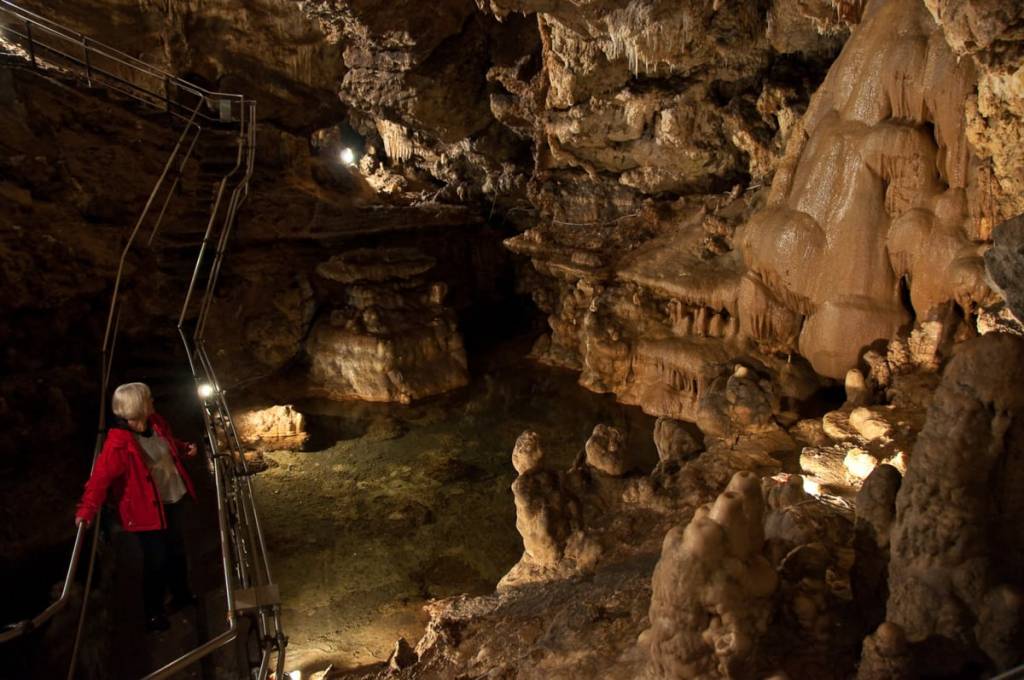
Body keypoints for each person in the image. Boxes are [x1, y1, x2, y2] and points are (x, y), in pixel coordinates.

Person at [75, 382, 199, 632]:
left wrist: (184, 448)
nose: (153, 401)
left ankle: (181, 595)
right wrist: (86, 511)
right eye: (149, 398)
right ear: (138, 406)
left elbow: (168, 445)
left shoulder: (156, 423)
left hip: (172, 499)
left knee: (177, 551)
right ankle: (153, 613)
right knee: (156, 560)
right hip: (145, 511)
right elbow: (99, 480)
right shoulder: (118, 445)